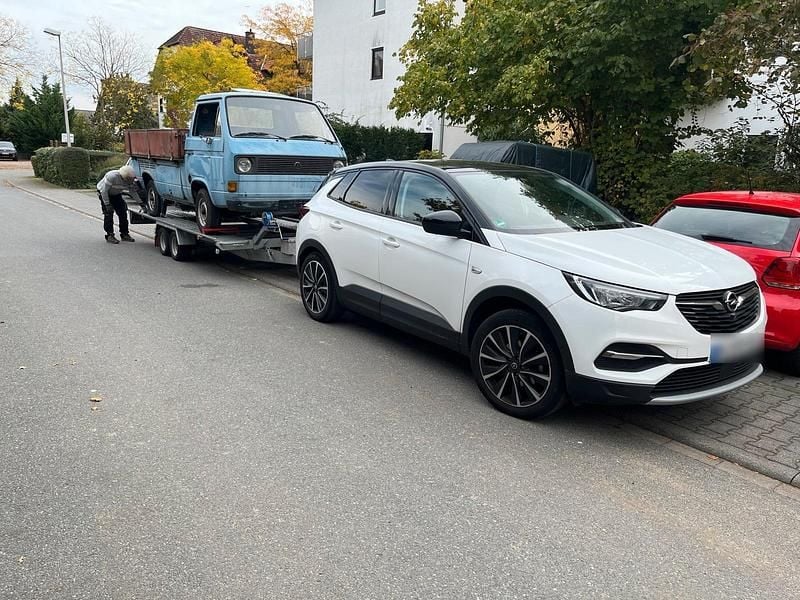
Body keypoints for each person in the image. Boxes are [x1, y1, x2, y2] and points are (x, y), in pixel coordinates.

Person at [96, 164, 139, 244]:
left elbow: (133, 192)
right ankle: (110, 235)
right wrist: (107, 204)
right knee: (108, 213)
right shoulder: (112, 176)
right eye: (129, 179)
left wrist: (140, 202)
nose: (131, 181)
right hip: (104, 194)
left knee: (123, 212)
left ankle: (124, 234)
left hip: (116, 194)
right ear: (124, 177)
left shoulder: (130, 180)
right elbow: (104, 191)